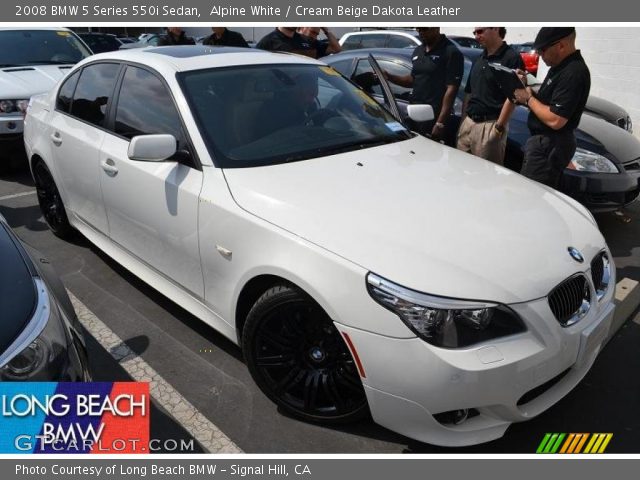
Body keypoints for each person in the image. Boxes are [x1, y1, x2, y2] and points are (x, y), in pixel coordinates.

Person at [513, 27, 590, 190]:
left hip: (549, 146)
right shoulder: (559, 67)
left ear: (561, 45)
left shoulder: (573, 72)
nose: (539, 55)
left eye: (542, 50)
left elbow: (556, 120)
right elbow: (547, 103)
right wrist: (526, 88)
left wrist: (529, 99)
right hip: (545, 143)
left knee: (532, 196)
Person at [457, 27, 524, 165]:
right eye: (474, 33)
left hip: (490, 127)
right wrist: (464, 121)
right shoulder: (480, 57)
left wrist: (498, 129)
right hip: (468, 124)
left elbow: (513, 97)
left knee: (485, 180)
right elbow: (469, 91)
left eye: (480, 31)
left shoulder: (511, 58)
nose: (476, 36)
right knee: (461, 173)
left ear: (495, 28)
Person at [384, 27, 463, 142]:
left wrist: (440, 123)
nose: (421, 33)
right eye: (418, 29)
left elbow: (452, 89)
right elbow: (413, 79)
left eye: (425, 29)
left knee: (432, 156)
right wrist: (389, 77)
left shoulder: (451, 52)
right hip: (414, 114)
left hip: (434, 117)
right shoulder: (418, 50)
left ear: (436, 28)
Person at [254, 72, 319, 138]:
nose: (312, 101)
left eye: (314, 96)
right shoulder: (272, 109)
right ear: (297, 91)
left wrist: (318, 118)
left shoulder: (305, 106)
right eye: (311, 95)